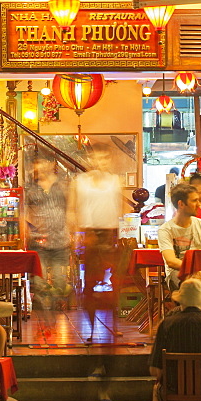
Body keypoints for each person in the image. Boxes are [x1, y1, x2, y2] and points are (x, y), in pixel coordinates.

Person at [72, 144, 126, 338]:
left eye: (105, 158)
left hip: (110, 233)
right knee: (89, 284)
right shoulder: (80, 181)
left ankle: (114, 325)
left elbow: (119, 209)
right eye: (97, 157)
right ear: (90, 159)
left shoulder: (114, 181)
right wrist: (76, 233)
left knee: (115, 283)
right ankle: (92, 329)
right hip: (90, 234)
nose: (101, 162)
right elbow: (73, 208)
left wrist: (119, 234)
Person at [24, 152, 73, 318]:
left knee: (60, 282)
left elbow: (71, 209)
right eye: (36, 165)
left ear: (51, 165)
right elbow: (22, 211)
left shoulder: (63, 186)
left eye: (43, 163)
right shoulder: (30, 189)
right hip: (38, 242)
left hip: (61, 240)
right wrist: (28, 228)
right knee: (38, 281)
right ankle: (44, 315)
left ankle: (53, 310)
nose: (40, 167)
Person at [158, 182, 201, 290]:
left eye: (198, 200)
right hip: (178, 273)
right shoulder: (165, 229)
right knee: (193, 286)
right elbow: (171, 261)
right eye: (194, 201)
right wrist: (195, 270)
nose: (199, 204)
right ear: (181, 204)